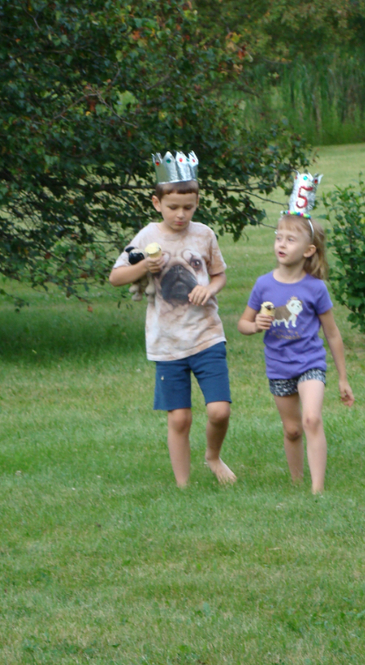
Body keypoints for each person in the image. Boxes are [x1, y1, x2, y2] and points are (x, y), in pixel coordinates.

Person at [109, 151, 235, 487]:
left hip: (207, 334)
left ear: (197, 203)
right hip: (167, 342)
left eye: (188, 207)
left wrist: (210, 289)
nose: (181, 214)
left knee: (219, 410)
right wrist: (142, 267)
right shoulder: (147, 236)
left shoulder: (204, 234)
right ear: (157, 203)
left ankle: (213, 456)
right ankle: (183, 486)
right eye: (173, 207)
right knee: (179, 418)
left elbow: (219, 275)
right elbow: (116, 277)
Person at [238, 171, 354, 494]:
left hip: (310, 363)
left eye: (291, 239)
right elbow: (243, 324)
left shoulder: (315, 288)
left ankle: (317, 490)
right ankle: (296, 482)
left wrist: (343, 378)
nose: (281, 243)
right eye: (279, 237)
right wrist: (255, 326)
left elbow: (332, 334)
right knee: (292, 430)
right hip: (278, 366)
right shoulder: (263, 284)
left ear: (308, 250)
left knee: (311, 419)